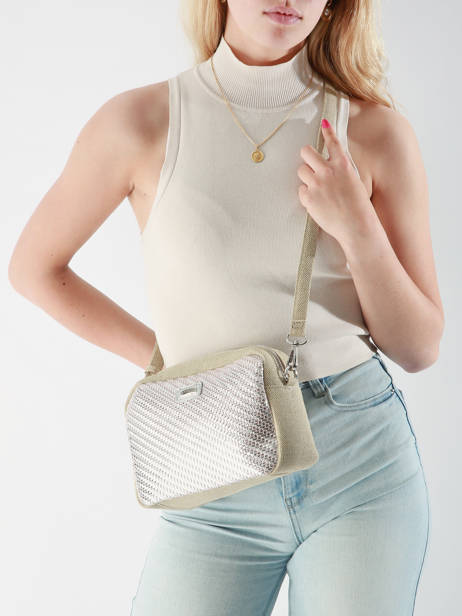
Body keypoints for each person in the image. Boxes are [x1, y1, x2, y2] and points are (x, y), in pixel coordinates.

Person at [8, 0, 445, 614]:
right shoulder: (140, 122)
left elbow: (419, 347)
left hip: (359, 464)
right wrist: (164, 361)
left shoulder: (374, 132)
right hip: (214, 470)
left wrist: (358, 227)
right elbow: (35, 268)